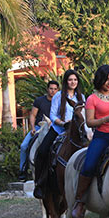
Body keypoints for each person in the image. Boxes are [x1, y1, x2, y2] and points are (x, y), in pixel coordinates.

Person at [71, 65, 109, 218]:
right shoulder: (92, 99)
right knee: (89, 165)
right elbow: (89, 122)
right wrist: (104, 120)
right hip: (102, 136)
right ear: (99, 80)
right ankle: (80, 201)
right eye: (106, 79)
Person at [33, 69, 85, 199]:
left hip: (76, 133)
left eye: (75, 80)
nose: (73, 82)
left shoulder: (81, 97)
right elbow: (52, 115)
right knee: (42, 151)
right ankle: (40, 183)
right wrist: (63, 123)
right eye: (70, 80)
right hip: (59, 130)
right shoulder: (58, 96)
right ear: (66, 81)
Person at [18, 80, 59, 180]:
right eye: (51, 89)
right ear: (47, 89)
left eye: (55, 89)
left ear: (58, 90)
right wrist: (32, 128)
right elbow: (33, 115)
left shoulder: (59, 102)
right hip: (39, 128)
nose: (52, 91)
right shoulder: (39, 101)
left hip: (55, 128)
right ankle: (23, 169)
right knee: (24, 146)